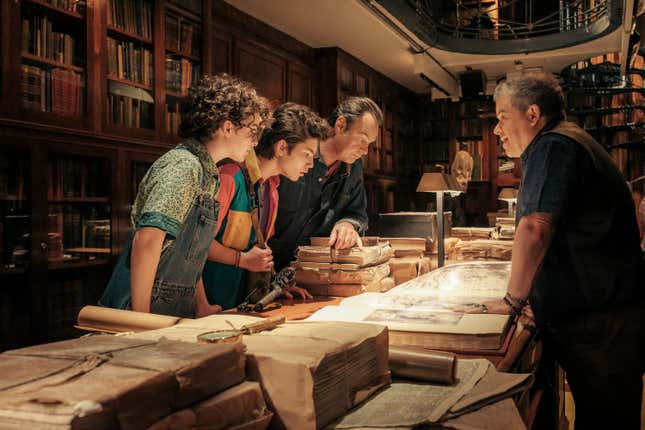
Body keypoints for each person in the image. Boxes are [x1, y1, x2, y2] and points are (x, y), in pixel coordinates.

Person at [468, 73, 645, 429]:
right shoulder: (567, 141)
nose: (496, 131)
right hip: (600, 316)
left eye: (502, 117)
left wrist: (513, 300)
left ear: (532, 114)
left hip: (601, 323)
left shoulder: (553, 145)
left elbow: (535, 228)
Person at [99, 74, 269, 318]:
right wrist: (141, 319)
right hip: (137, 311)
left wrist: (201, 305)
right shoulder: (183, 165)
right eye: (252, 131)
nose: (255, 142)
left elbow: (192, 250)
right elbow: (147, 240)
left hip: (172, 311)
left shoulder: (207, 174)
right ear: (227, 127)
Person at [202, 102, 331, 309]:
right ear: (281, 147)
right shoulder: (230, 177)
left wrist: (274, 289)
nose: (311, 165)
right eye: (307, 155)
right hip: (209, 307)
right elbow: (197, 245)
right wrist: (241, 259)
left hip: (239, 307)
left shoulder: (272, 189)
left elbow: (256, 250)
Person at [269, 97, 382, 270]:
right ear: (341, 125)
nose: (365, 151)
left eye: (370, 144)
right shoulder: (297, 151)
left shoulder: (354, 166)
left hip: (312, 271)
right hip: (264, 267)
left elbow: (357, 214)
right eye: (362, 139)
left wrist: (347, 225)